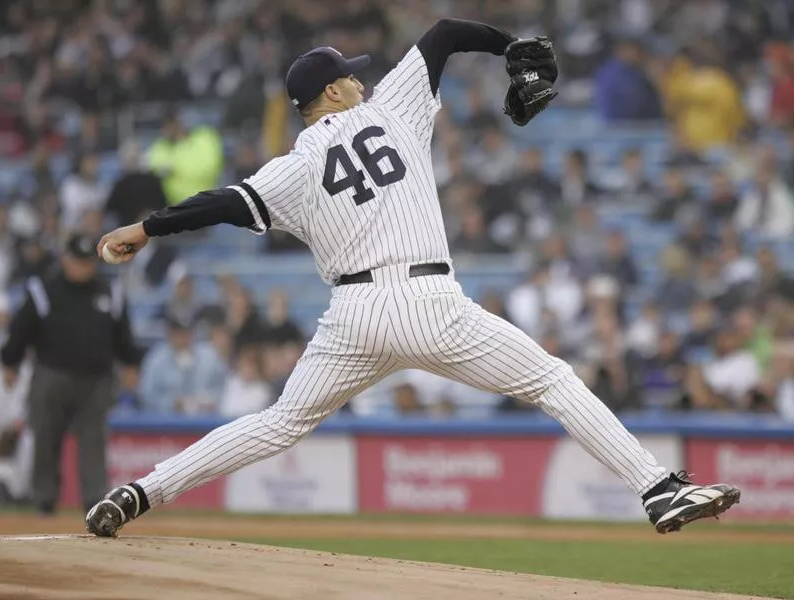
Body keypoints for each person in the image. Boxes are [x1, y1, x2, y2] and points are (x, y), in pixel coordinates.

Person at [86, 19, 739, 538]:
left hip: (354, 317)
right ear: (333, 92)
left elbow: (221, 203)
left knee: (279, 421)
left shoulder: (292, 164)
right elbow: (448, 32)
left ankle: (141, 491)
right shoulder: (391, 108)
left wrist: (145, 229)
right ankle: (657, 488)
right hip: (427, 300)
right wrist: (510, 48)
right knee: (552, 379)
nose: (361, 83)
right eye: (351, 78)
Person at [0, 233, 143, 515]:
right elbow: (20, 330)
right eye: (78, 262)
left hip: (97, 380)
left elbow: (124, 337)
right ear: (65, 259)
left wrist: (130, 365)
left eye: (88, 263)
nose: (83, 268)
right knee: (45, 438)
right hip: (51, 375)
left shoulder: (110, 292)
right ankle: (44, 500)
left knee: (93, 441)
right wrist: (10, 363)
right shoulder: (42, 289)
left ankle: (94, 502)